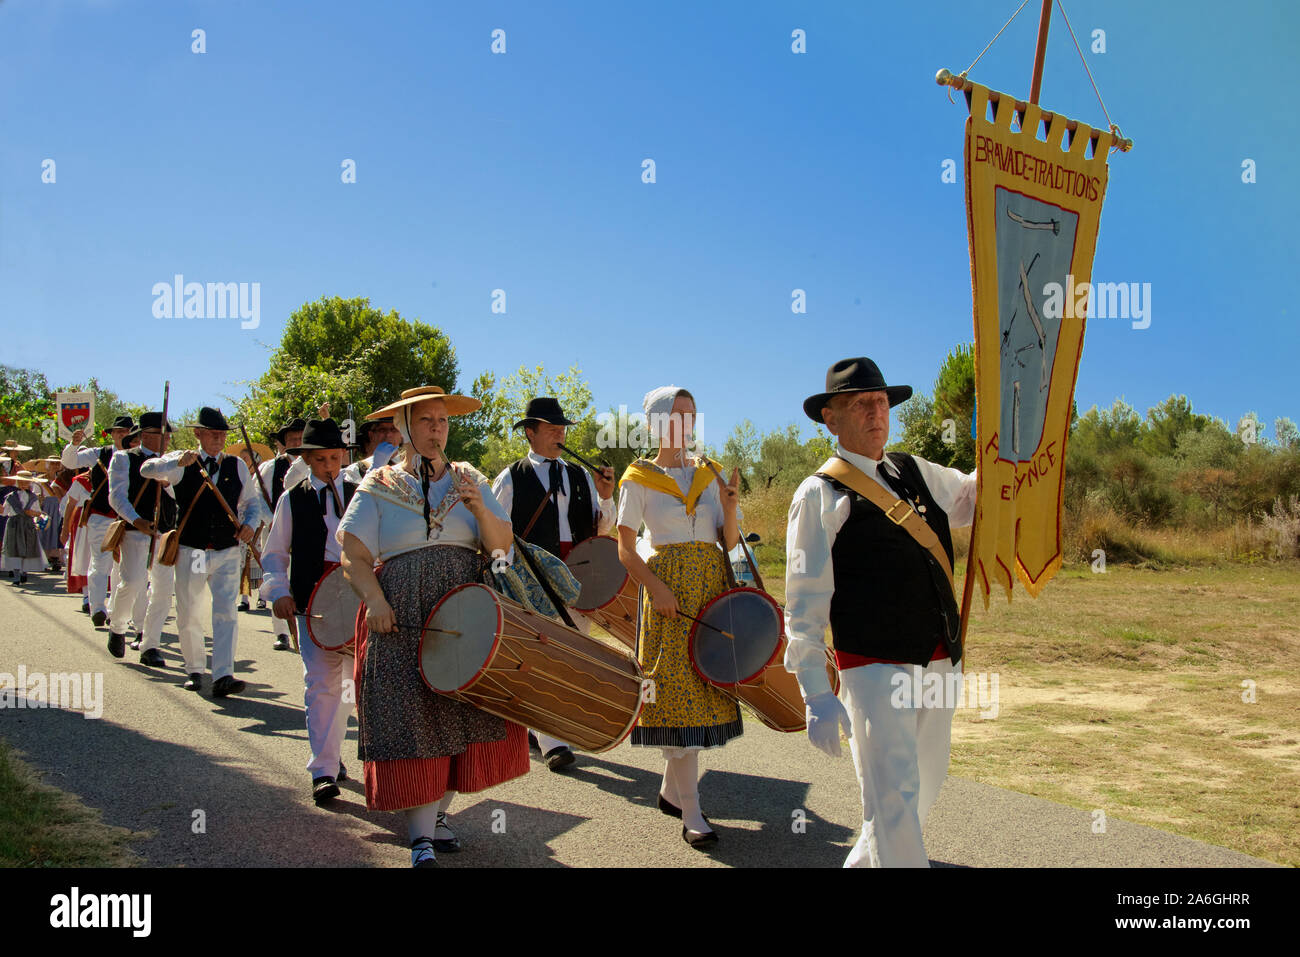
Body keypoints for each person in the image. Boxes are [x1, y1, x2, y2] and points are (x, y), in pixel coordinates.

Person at [784, 357, 976, 868]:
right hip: (872, 667)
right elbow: (804, 602)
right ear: (831, 417)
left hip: (939, 660)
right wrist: (816, 693)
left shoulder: (915, 471)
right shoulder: (819, 493)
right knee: (894, 800)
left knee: (922, 788)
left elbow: (971, 500)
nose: (877, 413)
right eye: (861, 404)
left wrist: (1014, 453)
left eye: (882, 402)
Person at [337, 385, 524, 868]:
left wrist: (480, 508)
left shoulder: (469, 478)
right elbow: (352, 556)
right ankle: (420, 836)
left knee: (461, 710)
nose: (436, 429)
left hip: (464, 607)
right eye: (426, 421)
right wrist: (375, 600)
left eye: (442, 421)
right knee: (415, 714)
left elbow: (502, 545)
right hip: (402, 611)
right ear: (404, 427)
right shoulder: (377, 483)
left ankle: (439, 816)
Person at [615, 386, 741, 849]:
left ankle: (672, 791)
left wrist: (728, 509)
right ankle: (692, 812)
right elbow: (626, 549)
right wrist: (656, 587)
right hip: (668, 596)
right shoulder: (638, 477)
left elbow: (729, 543)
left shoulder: (711, 472)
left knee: (701, 696)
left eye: (691, 415)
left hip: (709, 591)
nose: (685, 423)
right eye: (676, 415)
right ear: (655, 423)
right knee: (674, 698)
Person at [490, 396, 616, 772]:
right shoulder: (512, 476)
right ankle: (553, 740)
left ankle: (544, 725)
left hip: (577, 576)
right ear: (530, 433)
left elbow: (600, 530)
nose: (560, 434)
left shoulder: (579, 475)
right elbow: (495, 530)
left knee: (574, 651)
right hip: (533, 575)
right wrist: (507, 577)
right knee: (544, 652)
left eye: (562, 429)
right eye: (551, 429)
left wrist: (607, 498)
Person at [260, 419, 358, 805]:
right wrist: (279, 591)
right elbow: (274, 553)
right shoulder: (292, 499)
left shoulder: (360, 493)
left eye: (335, 457)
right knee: (319, 682)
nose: (329, 466)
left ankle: (332, 756)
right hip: (312, 600)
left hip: (355, 599)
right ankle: (322, 770)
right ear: (306, 459)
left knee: (350, 686)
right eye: (320, 459)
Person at [141, 407, 261, 696]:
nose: (219, 438)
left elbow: (253, 503)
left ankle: (223, 675)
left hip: (227, 550)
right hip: (193, 551)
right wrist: (173, 459)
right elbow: (147, 470)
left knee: (226, 612)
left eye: (222, 433)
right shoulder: (182, 463)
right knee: (190, 611)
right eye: (213, 433)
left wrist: (249, 524)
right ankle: (195, 669)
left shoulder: (236, 465)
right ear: (198, 434)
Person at [106, 412, 178, 665]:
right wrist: (135, 519)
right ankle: (117, 626)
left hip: (165, 534)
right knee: (133, 582)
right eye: (163, 435)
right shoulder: (123, 459)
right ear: (146, 435)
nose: (168, 440)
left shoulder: (172, 461)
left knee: (162, 591)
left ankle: (150, 644)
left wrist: (168, 482)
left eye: (168, 436)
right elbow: (116, 496)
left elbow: (178, 495)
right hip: (136, 532)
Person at [60, 416, 135, 628]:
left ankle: (114, 610)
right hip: (101, 516)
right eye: (118, 431)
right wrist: (74, 445)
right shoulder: (98, 454)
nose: (123, 435)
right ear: (112, 434)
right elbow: (69, 462)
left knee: (123, 567)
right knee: (100, 562)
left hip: (128, 519)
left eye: (127, 431)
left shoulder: (136, 457)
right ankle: (98, 607)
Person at [261, 417, 308, 648]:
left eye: (300, 437)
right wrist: (273, 521)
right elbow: (258, 499)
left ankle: (300, 628)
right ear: (285, 441)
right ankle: (280, 632)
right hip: (275, 530)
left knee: (297, 580)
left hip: (302, 533)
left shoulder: (311, 463)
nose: (296, 441)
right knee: (278, 578)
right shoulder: (271, 467)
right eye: (291, 438)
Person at [1, 470, 49, 583]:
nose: (23, 484)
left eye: (26, 482)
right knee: (14, 549)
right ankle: (17, 574)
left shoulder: (33, 497)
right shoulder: (10, 497)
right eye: (21, 481)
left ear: (30, 483)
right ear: (17, 481)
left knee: (27, 548)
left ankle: (24, 571)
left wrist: (31, 513)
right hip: (14, 524)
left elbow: (38, 512)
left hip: (27, 524)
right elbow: (5, 512)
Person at [342, 416, 399, 483]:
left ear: (402, 434)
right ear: (371, 435)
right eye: (382, 430)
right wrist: (376, 466)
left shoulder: (411, 466)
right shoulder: (357, 469)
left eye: (394, 429)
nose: (388, 434)